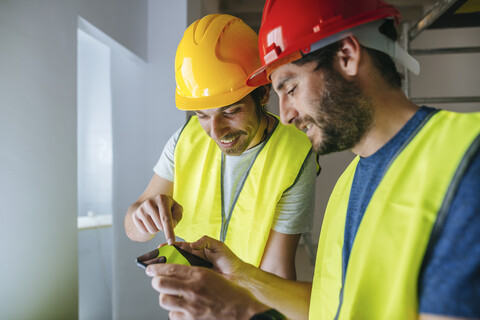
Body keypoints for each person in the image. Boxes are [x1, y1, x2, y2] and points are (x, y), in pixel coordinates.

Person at [145, 0, 480, 319]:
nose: (285, 116)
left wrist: (244, 314)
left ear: (347, 56)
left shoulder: (466, 160)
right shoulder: (347, 186)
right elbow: (328, 309)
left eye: (290, 89)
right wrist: (242, 277)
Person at [124, 14, 318, 280]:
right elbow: (133, 230)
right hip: (189, 297)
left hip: (250, 302)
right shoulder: (185, 138)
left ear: (263, 93)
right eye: (202, 115)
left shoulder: (296, 155)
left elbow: (277, 271)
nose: (215, 132)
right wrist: (142, 217)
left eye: (230, 111)